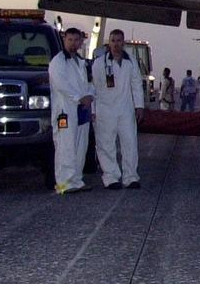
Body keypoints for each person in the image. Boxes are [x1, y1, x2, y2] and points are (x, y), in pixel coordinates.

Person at [92, 29, 145, 190]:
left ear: (123, 42)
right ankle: (111, 177)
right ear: (109, 43)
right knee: (106, 145)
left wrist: (139, 106)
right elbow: (93, 87)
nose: (116, 44)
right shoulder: (99, 63)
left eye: (119, 40)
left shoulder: (131, 62)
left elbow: (136, 84)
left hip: (126, 109)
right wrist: (93, 109)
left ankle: (130, 177)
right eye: (113, 40)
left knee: (129, 143)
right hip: (105, 110)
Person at [49, 27, 94, 194]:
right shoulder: (58, 62)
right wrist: (78, 98)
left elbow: (89, 83)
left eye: (76, 40)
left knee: (80, 147)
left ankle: (76, 180)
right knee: (65, 147)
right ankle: (63, 183)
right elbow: (61, 85)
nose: (73, 43)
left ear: (81, 41)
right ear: (64, 39)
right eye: (70, 40)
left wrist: (89, 96)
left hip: (82, 111)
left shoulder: (81, 62)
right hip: (65, 111)